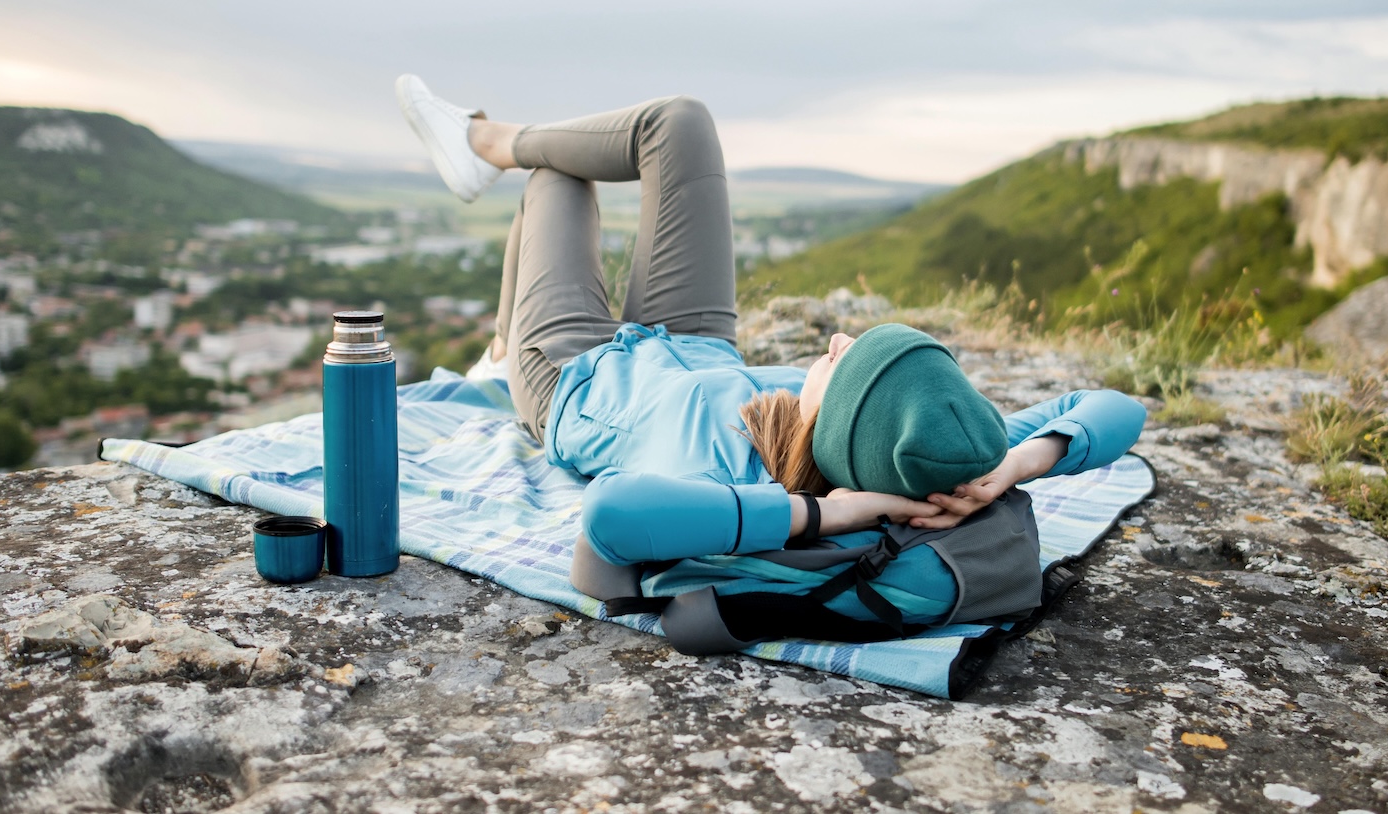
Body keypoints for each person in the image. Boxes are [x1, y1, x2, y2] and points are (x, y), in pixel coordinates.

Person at [395, 77, 1147, 609]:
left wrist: (827, 517)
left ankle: (487, 184)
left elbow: (611, 520)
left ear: (839, 422)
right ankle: (480, 145)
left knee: (555, 181)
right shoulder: (937, 458)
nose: (837, 337)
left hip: (576, 376)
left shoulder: (724, 482)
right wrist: (1014, 462)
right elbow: (1112, 408)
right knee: (679, 121)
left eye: (844, 359)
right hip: (697, 344)